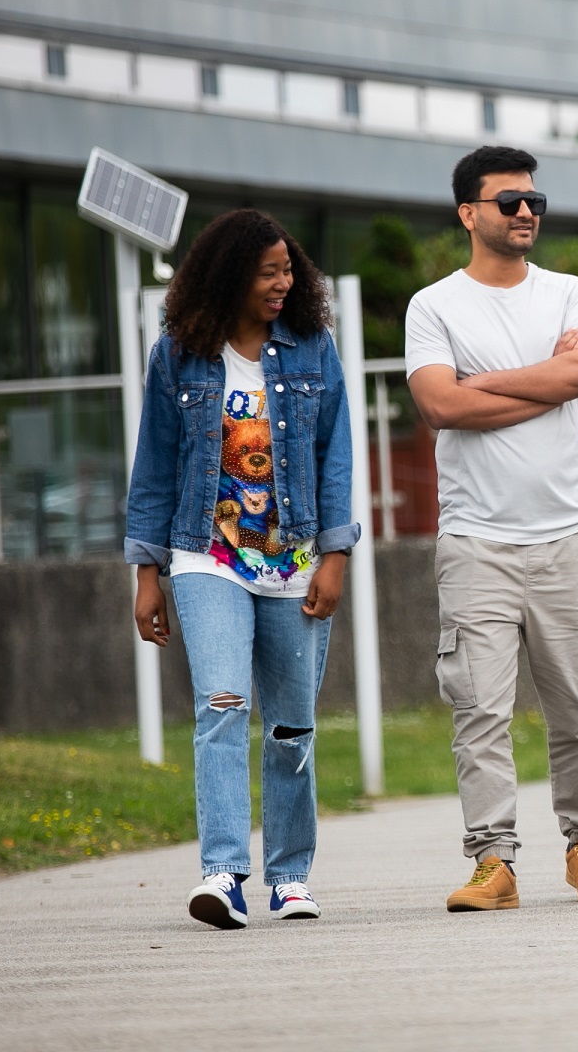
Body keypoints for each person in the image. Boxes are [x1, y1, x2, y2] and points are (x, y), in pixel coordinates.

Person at [404, 146, 578, 912]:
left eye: (535, 201)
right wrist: (543, 383)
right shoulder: (434, 306)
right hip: (476, 544)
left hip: (567, 538)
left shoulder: (568, 292)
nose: (526, 211)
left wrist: (484, 383)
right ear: (469, 213)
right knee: (479, 712)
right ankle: (493, 861)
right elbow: (440, 406)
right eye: (509, 201)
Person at [127, 209, 358, 930]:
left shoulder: (313, 349)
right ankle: (222, 873)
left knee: (291, 727)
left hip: (295, 559)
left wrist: (335, 556)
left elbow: (336, 456)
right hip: (207, 555)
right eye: (268, 273)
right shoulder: (179, 354)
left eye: (289, 270)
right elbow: (154, 466)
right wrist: (147, 572)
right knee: (222, 705)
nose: (283, 283)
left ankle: (290, 878)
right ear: (230, 277)